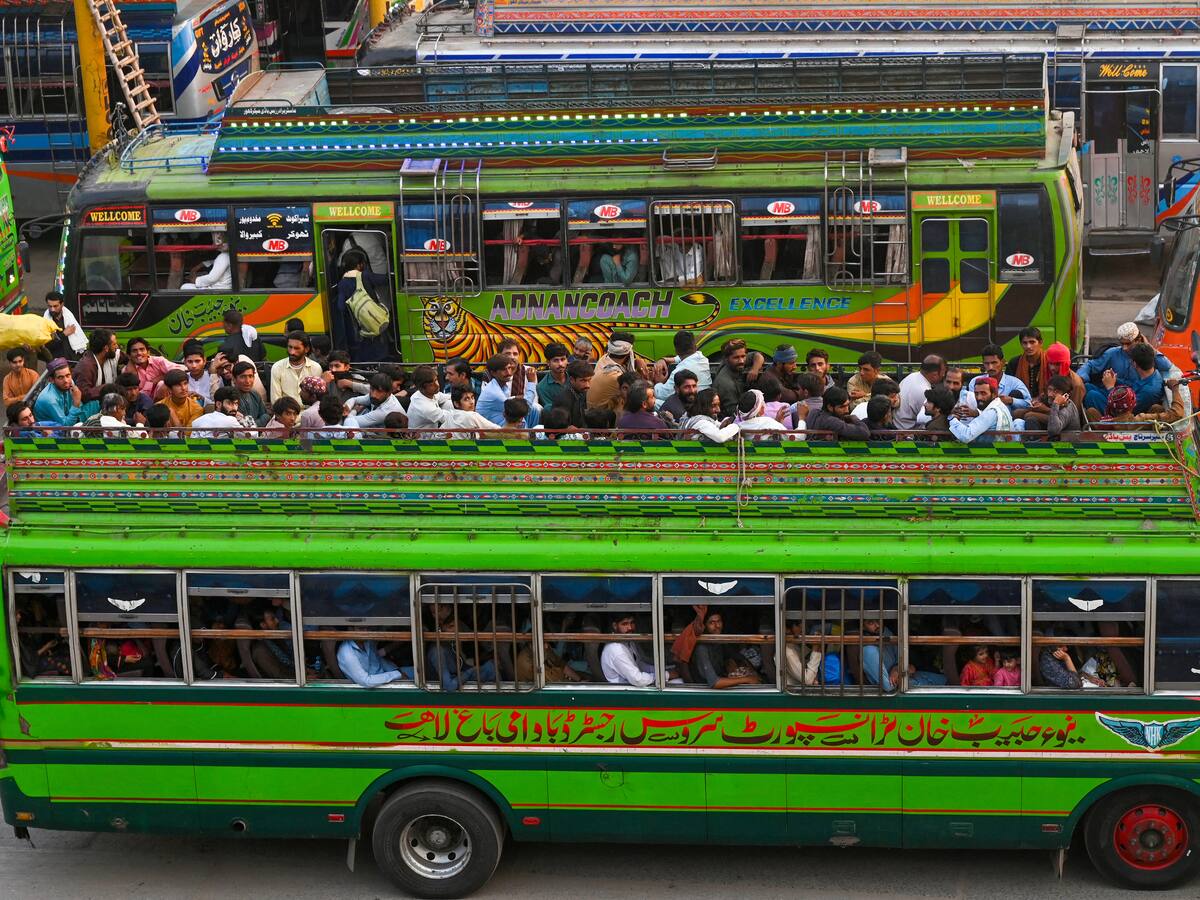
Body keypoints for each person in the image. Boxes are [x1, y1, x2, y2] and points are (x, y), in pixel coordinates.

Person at [1077, 322, 1170, 413]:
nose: (1125, 348)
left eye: (1128, 344)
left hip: (1124, 408)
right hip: (1120, 393)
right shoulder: (1113, 353)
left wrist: (1110, 387)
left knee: (1092, 396)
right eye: (1122, 344)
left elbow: (1127, 409)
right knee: (1087, 387)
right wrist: (1081, 377)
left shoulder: (1149, 389)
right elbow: (1090, 365)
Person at [860, 619, 946, 691]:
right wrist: (903, 670)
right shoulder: (869, 651)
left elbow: (905, 664)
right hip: (905, 687)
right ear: (863, 627)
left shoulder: (885, 633)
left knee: (946, 680)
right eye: (871, 623)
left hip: (913, 677)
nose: (877, 625)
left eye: (878, 620)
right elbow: (889, 686)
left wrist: (897, 669)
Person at [690, 610, 762, 689]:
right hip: (704, 691)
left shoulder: (719, 641)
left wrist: (753, 672)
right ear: (704, 626)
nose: (717, 625)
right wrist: (747, 679)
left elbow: (738, 657)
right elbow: (715, 683)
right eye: (711, 623)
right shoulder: (701, 649)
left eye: (719, 621)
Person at [957, 344, 1031, 412]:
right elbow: (972, 405)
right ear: (983, 364)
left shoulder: (1015, 383)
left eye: (994, 363)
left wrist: (1011, 400)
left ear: (1002, 362)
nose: (990, 367)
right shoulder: (975, 382)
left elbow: (1029, 404)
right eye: (987, 363)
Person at [949, 376, 1018, 445]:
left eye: (983, 393)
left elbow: (966, 435)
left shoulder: (992, 412)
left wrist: (951, 418)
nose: (979, 397)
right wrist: (977, 413)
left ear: (994, 394)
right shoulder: (999, 405)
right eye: (976, 393)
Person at [654, 329, 712, 403]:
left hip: (690, 406)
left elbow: (662, 394)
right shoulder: (703, 359)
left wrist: (658, 382)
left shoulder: (679, 371)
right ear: (695, 347)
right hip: (704, 402)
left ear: (676, 351)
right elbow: (684, 357)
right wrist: (664, 360)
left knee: (654, 401)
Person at [713, 338, 764, 418]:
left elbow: (758, 356)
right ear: (726, 359)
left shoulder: (736, 363)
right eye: (736, 358)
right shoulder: (725, 383)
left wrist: (755, 369)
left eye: (743, 356)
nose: (741, 361)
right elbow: (735, 413)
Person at [587, 334, 638, 413]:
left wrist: (638, 361)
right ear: (629, 354)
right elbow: (637, 396)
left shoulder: (604, 359)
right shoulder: (616, 376)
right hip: (603, 419)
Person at [601, 613, 655, 686]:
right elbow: (637, 680)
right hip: (623, 693)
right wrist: (664, 676)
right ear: (614, 626)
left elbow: (639, 665)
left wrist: (663, 671)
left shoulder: (628, 641)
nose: (630, 627)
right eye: (625, 624)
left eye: (632, 623)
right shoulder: (615, 649)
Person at [270, 331, 323, 404]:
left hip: (309, 413)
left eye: (297, 348)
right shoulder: (277, 367)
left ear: (306, 349)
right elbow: (276, 400)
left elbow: (316, 401)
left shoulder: (316, 368)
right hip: (285, 413)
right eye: (290, 347)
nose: (292, 352)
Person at [895, 355, 945, 431]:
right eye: (942, 371)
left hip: (899, 427)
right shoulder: (924, 391)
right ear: (934, 374)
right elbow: (929, 421)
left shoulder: (911, 376)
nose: (943, 375)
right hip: (907, 435)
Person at [72, 329, 122, 404]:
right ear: (106, 348)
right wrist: (107, 388)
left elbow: (130, 357)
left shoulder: (109, 357)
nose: (117, 347)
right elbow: (83, 394)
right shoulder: (86, 366)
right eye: (114, 344)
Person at [337, 639, 408, 688]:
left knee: (417, 672)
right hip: (374, 688)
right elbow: (365, 681)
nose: (366, 631)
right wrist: (397, 675)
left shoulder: (367, 642)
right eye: (361, 628)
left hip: (386, 676)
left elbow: (378, 659)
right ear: (351, 629)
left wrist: (396, 670)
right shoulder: (346, 652)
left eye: (368, 628)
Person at [33, 359, 82, 426]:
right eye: (60, 377)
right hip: (51, 432)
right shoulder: (49, 399)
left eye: (68, 375)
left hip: (68, 419)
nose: (66, 380)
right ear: (51, 380)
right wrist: (76, 404)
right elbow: (65, 426)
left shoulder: (69, 384)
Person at [407, 365, 454, 430]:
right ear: (421, 388)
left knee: (449, 403)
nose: (437, 385)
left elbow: (443, 396)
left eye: (436, 380)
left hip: (433, 430)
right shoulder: (425, 407)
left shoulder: (428, 393)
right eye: (431, 384)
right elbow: (447, 418)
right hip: (423, 437)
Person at [43, 291, 86, 360]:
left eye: (55, 306)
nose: (52, 309)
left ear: (62, 304)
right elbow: (47, 346)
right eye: (50, 306)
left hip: (73, 360)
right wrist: (63, 334)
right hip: (56, 362)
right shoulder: (45, 322)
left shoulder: (70, 318)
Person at [550, 360, 593, 428]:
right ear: (572, 379)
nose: (587, 385)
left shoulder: (581, 392)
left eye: (589, 380)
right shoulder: (563, 400)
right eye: (583, 380)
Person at [1008, 326, 1048, 398]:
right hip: (1021, 404)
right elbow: (1008, 388)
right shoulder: (1014, 363)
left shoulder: (1049, 361)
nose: (1028, 346)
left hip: (1046, 404)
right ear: (1021, 344)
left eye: (1032, 342)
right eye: (1025, 343)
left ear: (1040, 343)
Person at [231, 362, 270, 427]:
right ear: (234, 379)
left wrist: (252, 425)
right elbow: (238, 425)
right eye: (243, 377)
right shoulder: (229, 397)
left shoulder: (255, 394)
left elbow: (265, 416)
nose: (248, 381)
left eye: (250, 376)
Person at [1046, 374, 1082, 439]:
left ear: (1065, 395)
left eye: (1056, 391)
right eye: (1049, 390)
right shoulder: (1052, 400)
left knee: (1031, 417)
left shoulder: (1066, 410)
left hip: (1067, 446)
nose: (1050, 394)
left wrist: (1055, 403)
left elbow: (1053, 430)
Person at [179, 340, 215, 405]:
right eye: (190, 362)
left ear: (204, 361)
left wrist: (202, 399)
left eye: (197, 361)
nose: (194, 366)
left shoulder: (213, 378)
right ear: (184, 362)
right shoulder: (181, 379)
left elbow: (219, 403)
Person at [536, 342, 570, 408]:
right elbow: (551, 411)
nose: (560, 364)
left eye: (563, 359)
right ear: (548, 363)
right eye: (556, 360)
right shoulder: (542, 387)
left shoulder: (574, 377)